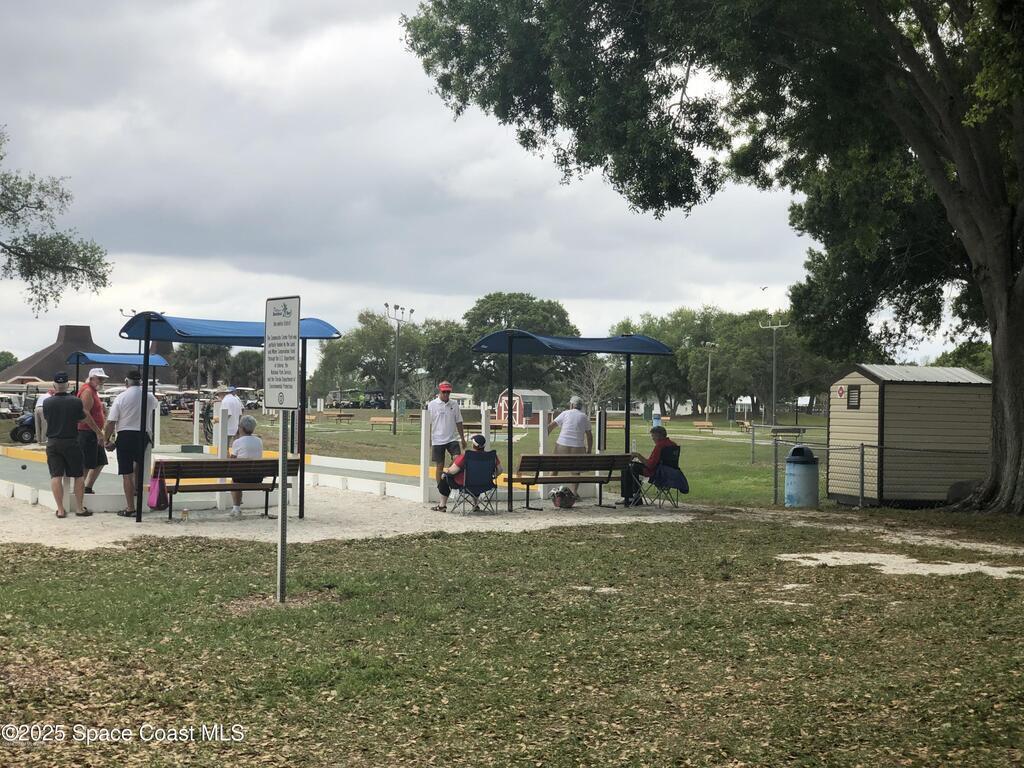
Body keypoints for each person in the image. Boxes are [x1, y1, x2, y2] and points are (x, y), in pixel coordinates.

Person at [102, 370, 158, 517]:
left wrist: (106, 440)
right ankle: (138, 494)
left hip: (125, 435)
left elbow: (111, 422)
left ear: (126, 382)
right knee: (139, 466)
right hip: (143, 435)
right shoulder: (149, 396)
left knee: (126, 473)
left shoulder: (121, 397)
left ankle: (130, 507)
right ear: (140, 382)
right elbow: (154, 406)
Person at [42, 372, 89, 518]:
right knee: (78, 475)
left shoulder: (47, 402)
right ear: (68, 385)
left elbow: (47, 418)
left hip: (53, 442)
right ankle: (79, 508)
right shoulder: (76, 401)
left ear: (54, 385)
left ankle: (61, 509)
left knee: (56, 476)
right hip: (71, 441)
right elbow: (82, 419)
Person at [433, 434, 502, 512]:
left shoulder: (467, 455)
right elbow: (500, 470)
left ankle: (442, 505)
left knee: (444, 477)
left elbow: (453, 471)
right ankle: (475, 505)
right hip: (485, 484)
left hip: (466, 484)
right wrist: (492, 476)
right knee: (477, 478)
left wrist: (446, 471)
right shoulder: (492, 456)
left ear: (473, 445)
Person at [545, 395, 594, 497]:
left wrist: (545, 439)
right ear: (580, 406)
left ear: (571, 405)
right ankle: (574, 492)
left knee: (554, 468)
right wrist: (589, 450)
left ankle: (549, 491)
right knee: (576, 471)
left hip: (562, 445)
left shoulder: (565, 413)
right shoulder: (584, 417)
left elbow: (550, 427)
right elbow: (589, 436)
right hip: (578, 448)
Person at [427, 381, 466, 486]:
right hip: (437, 440)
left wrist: (462, 438)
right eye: (444, 392)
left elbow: (459, 421)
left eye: (448, 392)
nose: (446, 394)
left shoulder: (454, 404)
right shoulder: (432, 405)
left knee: (458, 459)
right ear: (439, 391)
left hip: (452, 438)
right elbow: (428, 423)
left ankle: (447, 474)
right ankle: (440, 487)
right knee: (439, 465)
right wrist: (428, 438)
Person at [77, 367, 110, 494]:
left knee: (100, 460)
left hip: (92, 432)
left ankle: (87, 487)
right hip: (87, 432)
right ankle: (79, 491)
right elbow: (85, 413)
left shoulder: (93, 391)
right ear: (91, 379)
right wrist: (98, 432)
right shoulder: (87, 391)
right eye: (99, 379)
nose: (101, 381)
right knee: (86, 464)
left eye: (103, 379)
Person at [628, 425, 680, 500]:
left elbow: (650, 465)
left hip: (657, 473)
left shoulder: (660, 446)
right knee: (634, 467)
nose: (652, 438)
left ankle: (631, 496)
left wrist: (638, 455)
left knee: (629, 467)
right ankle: (635, 496)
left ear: (659, 435)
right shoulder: (673, 445)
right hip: (671, 474)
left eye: (653, 436)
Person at [227, 414, 263, 518]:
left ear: (241, 428)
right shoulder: (259, 441)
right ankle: (237, 506)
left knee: (234, 481)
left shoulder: (237, 442)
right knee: (238, 477)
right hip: (257, 477)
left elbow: (232, 461)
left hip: (242, 477)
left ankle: (236, 508)